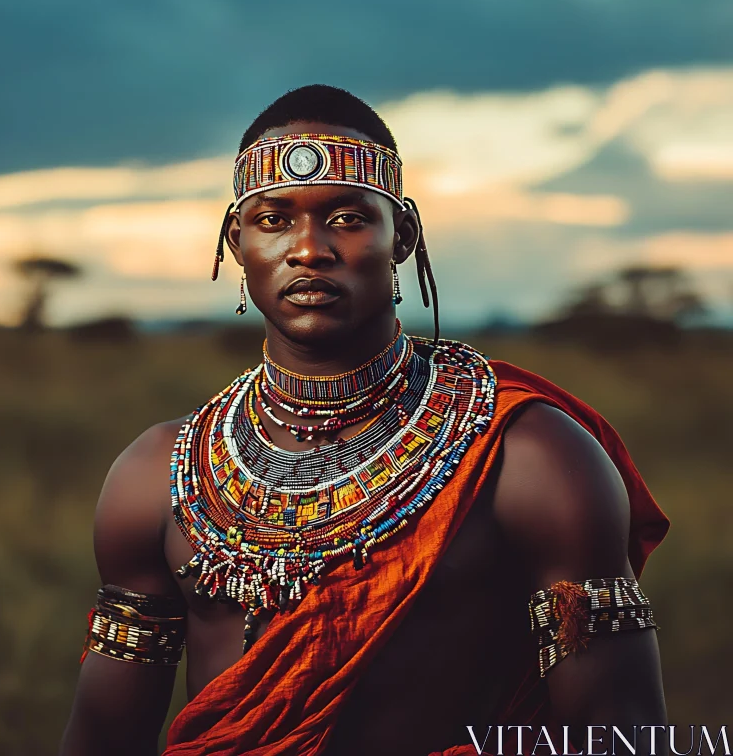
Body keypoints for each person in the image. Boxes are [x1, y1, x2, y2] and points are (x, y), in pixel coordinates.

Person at [59, 85, 670, 756]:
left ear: (401, 235)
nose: (308, 249)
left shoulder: (530, 455)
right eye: (273, 220)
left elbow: (621, 735)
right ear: (236, 241)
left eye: (348, 218)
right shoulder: (158, 473)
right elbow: (102, 738)